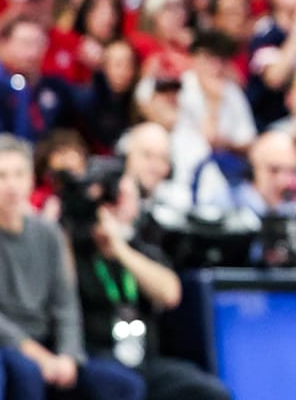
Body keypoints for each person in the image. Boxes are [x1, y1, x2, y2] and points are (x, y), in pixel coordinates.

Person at [0, 137, 145, 400]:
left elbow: (65, 304)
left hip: (47, 345)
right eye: (1, 176)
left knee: (121, 384)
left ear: (31, 180)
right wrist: (41, 358)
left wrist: (69, 356)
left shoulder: (49, 235)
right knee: (27, 372)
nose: (11, 185)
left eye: (19, 174)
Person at [74, 170, 231, 400]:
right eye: (113, 195)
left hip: (144, 360)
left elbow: (170, 293)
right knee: (123, 385)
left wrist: (119, 248)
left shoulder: (143, 250)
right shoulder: (75, 251)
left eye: (127, 196)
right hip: (95, 356)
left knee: (209, 392)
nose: (119, 204)